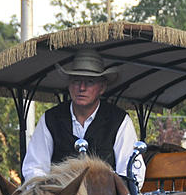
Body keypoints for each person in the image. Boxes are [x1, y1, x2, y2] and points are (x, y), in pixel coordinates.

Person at [21, 49, 145, 187]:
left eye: (90, 82)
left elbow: (131, 172)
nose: (82, 88)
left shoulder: (119, 120)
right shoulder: (51, 119)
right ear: (69, 85)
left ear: (102, 87)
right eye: (76, 81)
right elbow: (34, 168)